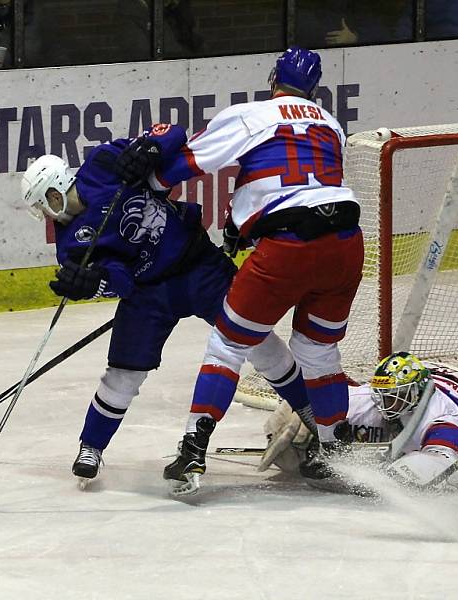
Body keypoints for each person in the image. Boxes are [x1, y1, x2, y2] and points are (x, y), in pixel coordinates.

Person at [113, 46, 365, 494]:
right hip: (346, 245)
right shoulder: (331, 124)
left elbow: (191, 164)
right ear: (313, 89)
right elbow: (300, 182)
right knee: (319, 352)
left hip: (288, 247)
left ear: (273, 80)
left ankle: (193, 450)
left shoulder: (251, 115)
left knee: (228, 341)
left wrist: (147, 183)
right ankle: (333, 452)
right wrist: (238, 223)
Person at [21, 125, 317, 492]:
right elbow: (122, 279)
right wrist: (94, 282)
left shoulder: (103, 163)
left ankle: (310, 411)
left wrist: (148, 149)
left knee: (255, 340)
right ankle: (91, 447)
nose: (46, 214)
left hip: (197, 265)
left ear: (55, 188)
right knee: (123, 374)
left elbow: (172, 134)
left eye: (43, 203)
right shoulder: (70, 244)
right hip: (149, 293)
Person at [261, 352, 458, 491]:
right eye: (382, 394)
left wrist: (374, 476)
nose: (385, 402)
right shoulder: (373, 397)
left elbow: (447, 471)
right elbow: (325, 399)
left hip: (450, 397)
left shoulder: (445, 417)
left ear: (415, 393)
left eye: (393, 396)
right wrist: (305, 411)